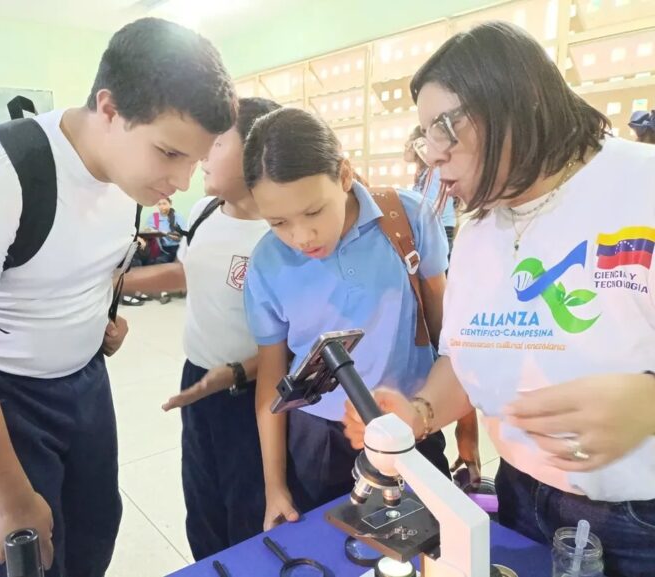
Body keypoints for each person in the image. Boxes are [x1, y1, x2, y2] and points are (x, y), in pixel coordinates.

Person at [0, 17, 236, 577]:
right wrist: (11, 497)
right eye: (168, 153)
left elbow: (86, 262)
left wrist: (96, 318)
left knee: (90, 534)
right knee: (21, 554)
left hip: (82, 383)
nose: (181, 181)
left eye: (194, 160)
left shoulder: (127, 177)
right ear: (108, 109)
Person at [343, 21, 655, 577]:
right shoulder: (482, 225)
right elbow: (469, 356)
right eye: (424, 135)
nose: (433, 155)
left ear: (523, 99)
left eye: (446, 128)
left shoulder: (640, 187)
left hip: (636, 520)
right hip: (519, 495)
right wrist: (418, 412)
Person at [242, 107, 481, 531]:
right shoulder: (266, 264)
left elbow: (450, 338)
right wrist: (274, 486)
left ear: (345, 175)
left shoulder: (407, 218)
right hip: (320, 437)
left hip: (412, 421)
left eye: (314, 212)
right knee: (332, 545)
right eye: (278, 222)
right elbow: (270, 381)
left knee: (428, 541)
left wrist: (467, 431)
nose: (301, 237)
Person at [123, 97, 281, 560]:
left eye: (216, 143)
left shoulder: (279, 233)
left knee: (247, 508)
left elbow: (297, 343)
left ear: (256, 151)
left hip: (251, 391)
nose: (202, 154)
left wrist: (236, 372)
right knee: (202, 499)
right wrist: (119, 281)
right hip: (198, 379)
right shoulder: (206, 211)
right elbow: (188, 271)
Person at [405, 126, 457, 258]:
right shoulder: (424, 173)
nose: (406, 146)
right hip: (435, 228)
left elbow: (430, 207)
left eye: (410, 141)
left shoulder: (434, 171)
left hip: (440, 230)